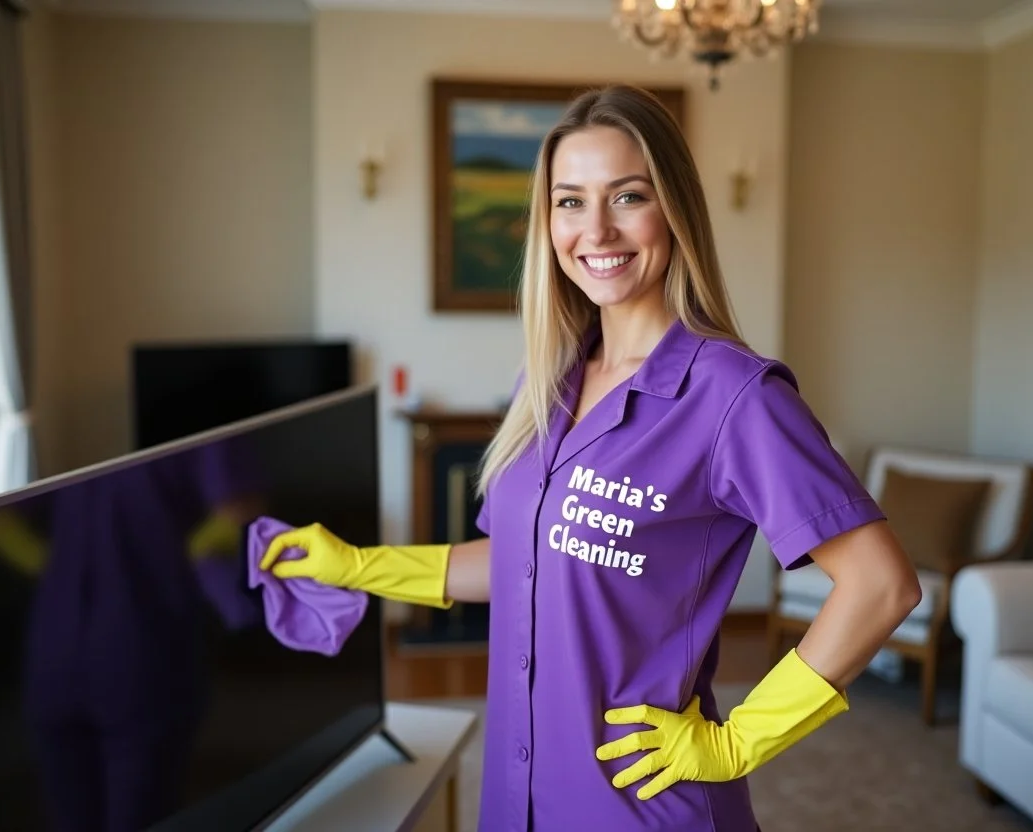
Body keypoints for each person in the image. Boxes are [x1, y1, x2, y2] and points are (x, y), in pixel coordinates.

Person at [260, 84, 922, 832]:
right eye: (570, 201)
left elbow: (880, 586)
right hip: (521, 789)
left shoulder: (735, 395)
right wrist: (357, 567)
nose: (596, 229)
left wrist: (740, 739)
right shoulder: (549, 380)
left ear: (673, 208)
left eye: (627, 196)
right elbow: (522, 557)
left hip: (642, 804)